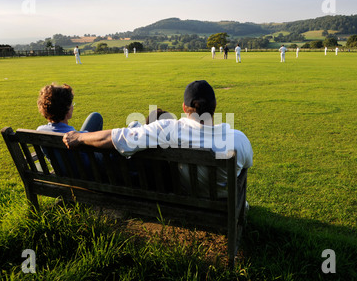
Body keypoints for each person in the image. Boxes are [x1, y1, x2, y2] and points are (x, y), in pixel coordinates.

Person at [63, 80, 253, 198]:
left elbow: (119, 138)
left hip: (187, 197)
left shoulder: (168, 128)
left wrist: (81, 136)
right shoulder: (238, 139)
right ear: (215, 105)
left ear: (185, 108)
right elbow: (247, 166)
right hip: (224, 204)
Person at [37, 83, 103, 177]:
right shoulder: (82, 136)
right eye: (71, 104)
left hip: (62, 173)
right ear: (67, 109)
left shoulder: (40, 131)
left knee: (95, 117)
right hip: (88, 176)